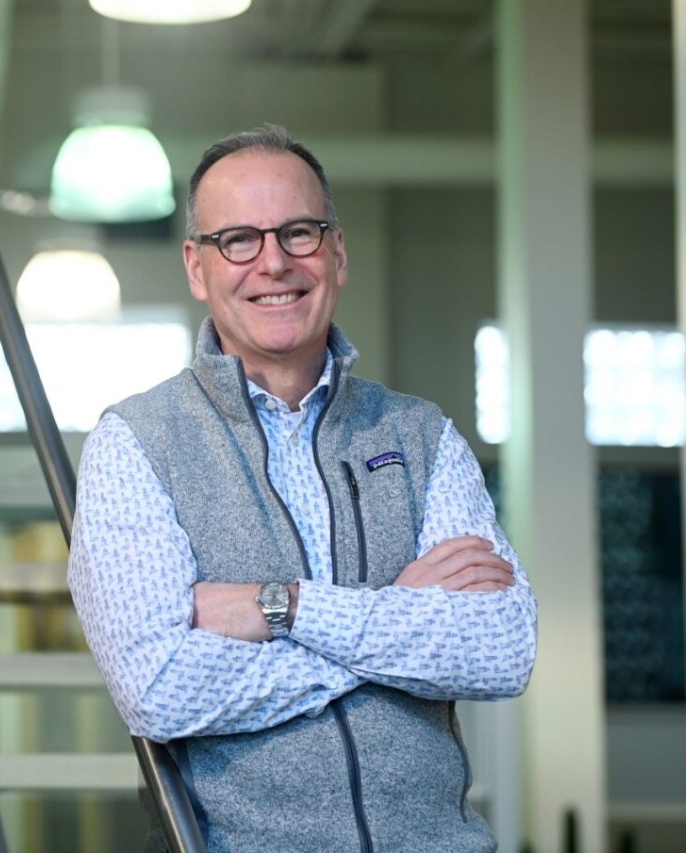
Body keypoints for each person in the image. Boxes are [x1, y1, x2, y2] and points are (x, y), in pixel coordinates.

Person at [67, 124, 537, 852]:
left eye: (299, 232)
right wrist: (396, 617)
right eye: (238, 240)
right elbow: (159, 688)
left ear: (337, 253)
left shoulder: (421, 434)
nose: (274, 262)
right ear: (197, 266)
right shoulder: (136, 444)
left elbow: (499, 647)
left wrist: (283, 607)